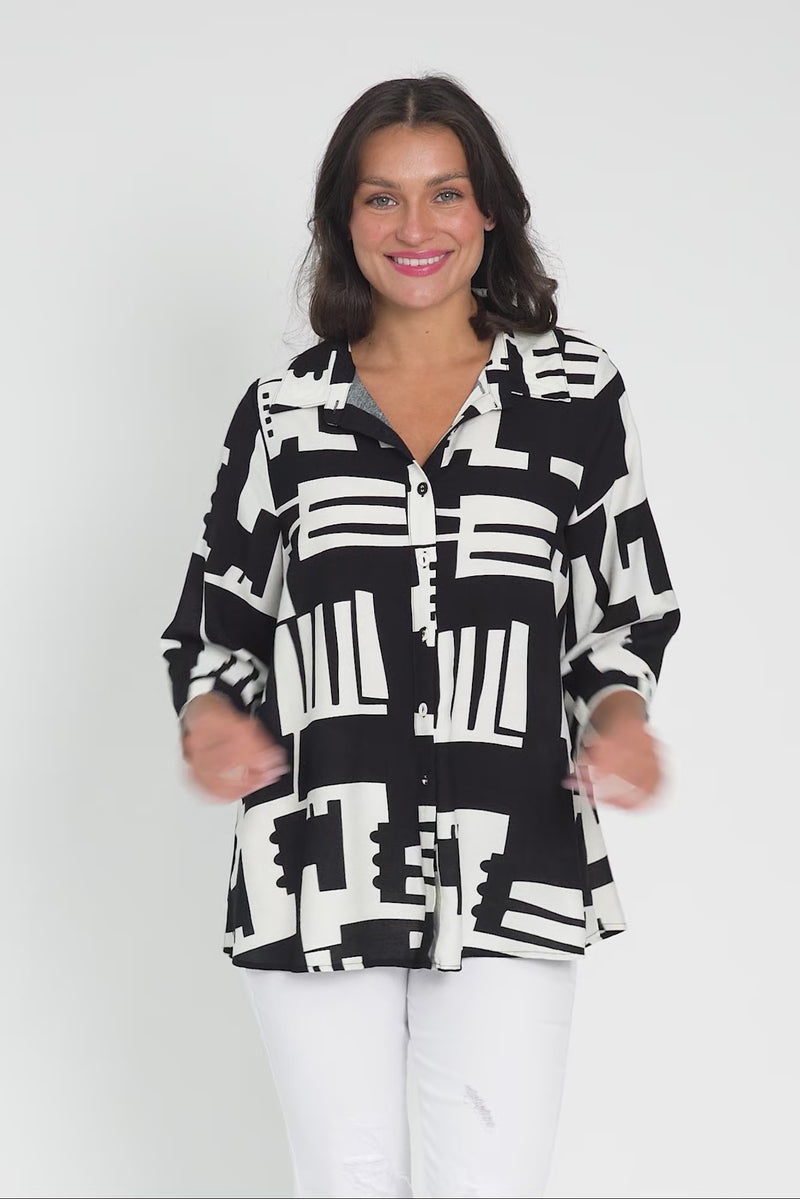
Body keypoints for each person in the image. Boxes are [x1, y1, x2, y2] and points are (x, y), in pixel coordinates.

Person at [160, 74, 681, 1199]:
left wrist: (621, 717)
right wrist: (209, 718)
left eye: (444, 193)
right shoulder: (283, 414)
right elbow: (214, 629)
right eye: (381, 198)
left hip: (513, 855)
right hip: (318, 858)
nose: (415, 227)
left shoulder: (574, 393)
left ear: (488, 209)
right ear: (343, 221)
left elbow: (620, 614)